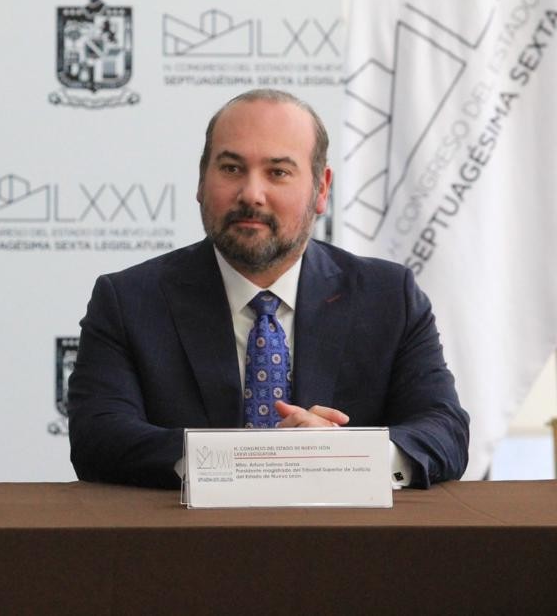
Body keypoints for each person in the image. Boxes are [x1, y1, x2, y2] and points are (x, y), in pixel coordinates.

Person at [67, 89, 469, 489]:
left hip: (346, 546)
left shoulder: (388, 297)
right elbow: (98, 439)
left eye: (277, 172)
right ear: (201, 180)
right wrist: (255, 461)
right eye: (231, 169)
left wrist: (343, 457)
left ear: (321, 189)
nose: (251, 195)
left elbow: (444, 430)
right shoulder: (128, 300)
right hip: (186, 546)